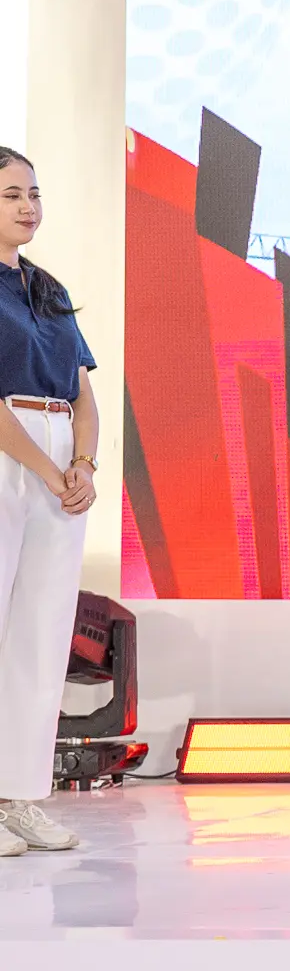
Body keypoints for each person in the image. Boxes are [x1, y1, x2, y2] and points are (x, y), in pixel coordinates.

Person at [0, 149, 94, 858]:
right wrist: (45, 468)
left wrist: (82, 464)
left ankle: (18, 795)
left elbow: (82, 390)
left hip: (60, 459)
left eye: (33, 193)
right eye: (11, 195)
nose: (28, 206)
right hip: (14, 453)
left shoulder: (48, 288)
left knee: (41, 633)